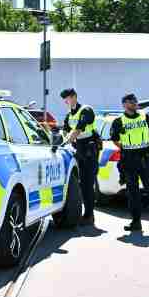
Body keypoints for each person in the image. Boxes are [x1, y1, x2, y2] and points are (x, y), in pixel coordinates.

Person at [109, 93, 149, 236]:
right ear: (124, 104)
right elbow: (115, 139)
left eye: (135, 101)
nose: (134, 103)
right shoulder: (118, 121)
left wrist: (145, 145)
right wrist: (127, 147)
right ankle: (135, 223)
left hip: (145, 157)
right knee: (133, 194)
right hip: (129, 159)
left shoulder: (144, 117)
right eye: (131, 102)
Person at [60, 88, 99, 225]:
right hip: (78, 150)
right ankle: (85, 213)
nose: (66, 101)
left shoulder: (86, 110)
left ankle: (89, 215)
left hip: (89, 149)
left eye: (68, 98)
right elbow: (64, 130)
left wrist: (67, 140)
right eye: (65, 99)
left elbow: (78, 129)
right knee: (81, 184)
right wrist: (64, 138)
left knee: (88, 184)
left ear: (75, 97)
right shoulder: (69, 115)